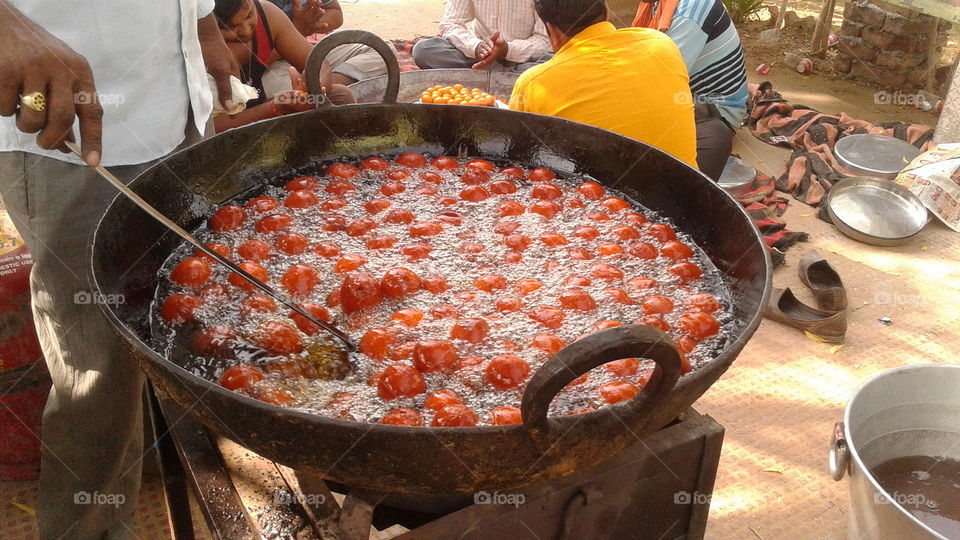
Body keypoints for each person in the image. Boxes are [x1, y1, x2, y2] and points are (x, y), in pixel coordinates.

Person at [0, 1, 237, 537]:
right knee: (97, 369)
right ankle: (91, 527)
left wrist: (201, 23)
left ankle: (159, 465)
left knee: (182, 315)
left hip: (176, 107)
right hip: (66, 132)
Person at [509, 0, 697, 169]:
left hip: (605, 201)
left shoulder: (532, 84)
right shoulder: (662, 45)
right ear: (606, 10)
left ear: (551, 29)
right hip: (689, 197)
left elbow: (518, 160)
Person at [634, 0, 749, 179]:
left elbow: (660, 77)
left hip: (716, 112)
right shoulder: (659, 5)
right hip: (688, 97)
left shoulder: (691, 12)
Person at [212, 0, 356, 132]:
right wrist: (275, 106)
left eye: (249, 15)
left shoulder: (267, 14)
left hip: (262, 105)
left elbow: (319, 63)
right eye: (231, 27)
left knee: (341, 96)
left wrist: (312, 90)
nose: (245, 30)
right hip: (229, 129)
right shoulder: (204, 50)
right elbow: (214, 128)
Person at [266, 0, 395, 87]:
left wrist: (311, 24)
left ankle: (323, 88)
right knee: (284, 96)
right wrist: (297, 29)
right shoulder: (253, 7)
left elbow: (336, 13)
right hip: (271, 66)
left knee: (383, 50)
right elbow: (255, 62)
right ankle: (318, 91)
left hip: (305, 52)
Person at [413, 0, 553, 72]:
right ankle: (505, 76)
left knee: (554, 65)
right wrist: (476, 46)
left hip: (525, 59)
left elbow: (546, 39)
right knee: (424, 49)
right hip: (477, 57)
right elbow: (451, 23)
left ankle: (485, 76)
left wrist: (507, 49)